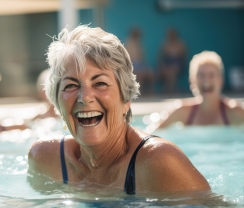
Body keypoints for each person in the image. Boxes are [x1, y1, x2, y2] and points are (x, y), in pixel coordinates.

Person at [28, 25, 210, 194]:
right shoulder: (45, 160)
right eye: (71, 85)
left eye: (100, 83)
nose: (84, 97)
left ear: (126, 98)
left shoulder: (159, 162)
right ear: (57, 103)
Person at [156, 51, 244, 129]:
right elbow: (151, 136)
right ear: (192, 81)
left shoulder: (234, 111)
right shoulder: (182, 111)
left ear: (220, 80)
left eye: (211, 75)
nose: (206, 80)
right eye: (201, 75)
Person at [124, 27, 154, 95]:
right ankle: (139, 92)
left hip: (140, 65)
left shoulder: (139, 44)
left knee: (150, 73)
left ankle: (149, 92)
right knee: (139, 74)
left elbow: (142, 58)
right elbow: (128, 58)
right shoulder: (128, 43)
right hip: (132, 64)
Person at [157, 28, 187, 94]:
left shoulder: (180, 44)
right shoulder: (165, 44)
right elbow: (161, 58)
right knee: (167, 71)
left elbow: (183, 57)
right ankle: (169, 89)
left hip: (178, 65)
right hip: (167, 64)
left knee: (172, 71)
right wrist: (163, 67)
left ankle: (169, 90)